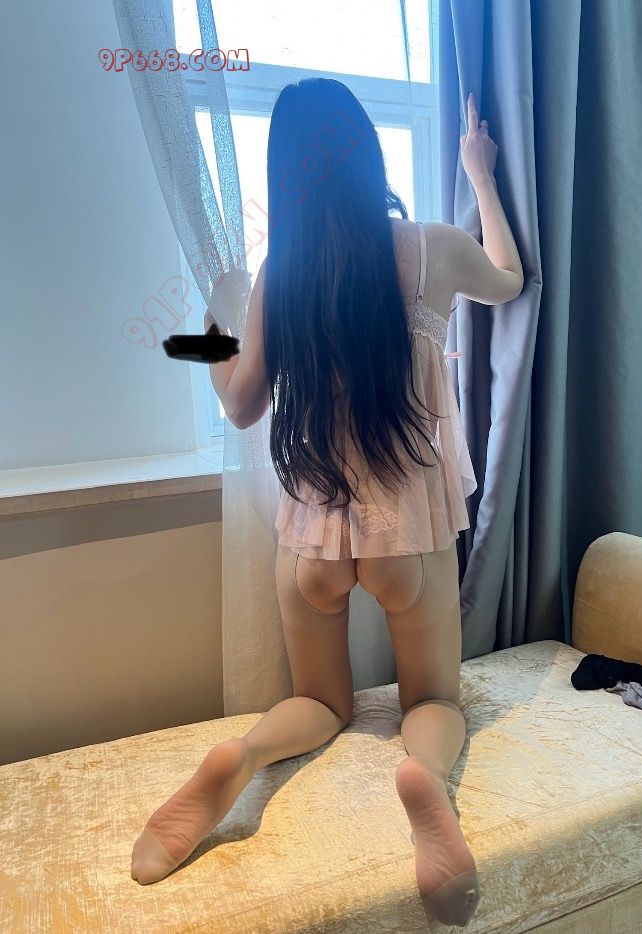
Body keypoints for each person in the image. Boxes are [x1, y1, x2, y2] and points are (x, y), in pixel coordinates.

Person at [131, 78, 523, 925]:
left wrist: (218, 324)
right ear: (367, 156)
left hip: (311, 539)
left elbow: (241, 405)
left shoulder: (282, 278)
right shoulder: (431, 248)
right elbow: (509, 278)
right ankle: (424, 779)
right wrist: (480, 175)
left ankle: (242, 757)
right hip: (406, 538)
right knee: (432, 702)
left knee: (319, 703)